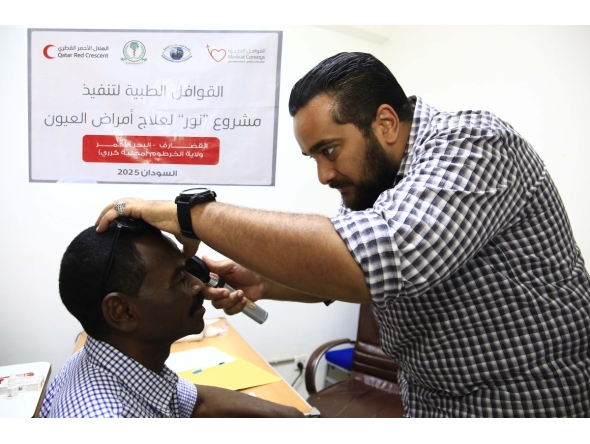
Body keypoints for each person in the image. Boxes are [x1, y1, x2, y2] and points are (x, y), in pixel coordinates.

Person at [95, 52, 590, 417]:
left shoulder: (477, 145)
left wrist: (190, 213)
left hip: (525, 405)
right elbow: (353, 272)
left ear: (387, 122)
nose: (324, 175)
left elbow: (375, 259)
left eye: (329, 150)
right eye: (313, 157)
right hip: (434, 404)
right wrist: (262, 281)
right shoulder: (377, 181)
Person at [40, 217, 302, 418]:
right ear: (122, 312)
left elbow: (195, 401)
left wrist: (294, 417)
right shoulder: (107, 417)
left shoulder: (106, 359)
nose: (199, 286)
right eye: (179, 278)